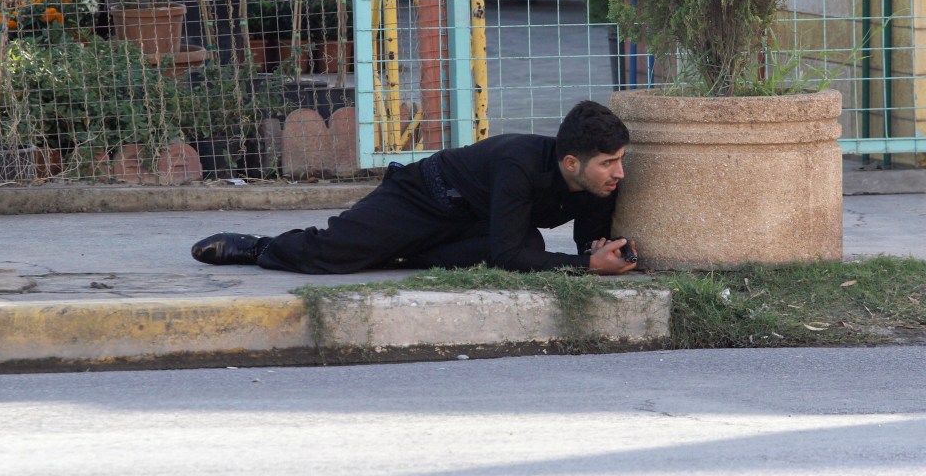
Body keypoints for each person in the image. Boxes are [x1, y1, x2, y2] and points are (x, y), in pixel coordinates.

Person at [191, 100, 637, 275]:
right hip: (425, 195)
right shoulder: (517, 163)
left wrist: (601, 250)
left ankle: (407, 254)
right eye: (608, 164)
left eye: (620, 161)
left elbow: (586, 241)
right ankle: (258, 248)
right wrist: (587, 267)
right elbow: (510, 258)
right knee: (334, 256)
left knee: (528, 242)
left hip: (473, 222)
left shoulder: (602, 184)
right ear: (571, 162)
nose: (618, 173)